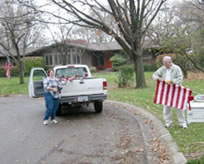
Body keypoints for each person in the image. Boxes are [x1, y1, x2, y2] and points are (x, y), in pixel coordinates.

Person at [153, 56, 188, 129]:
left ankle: (182, 123)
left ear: (170, 62)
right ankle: (168, 122)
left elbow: (180, 79)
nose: (164, 65)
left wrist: (172, 81)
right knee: (167, 106)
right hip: (166, 90)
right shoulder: (163, 68)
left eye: (166, 63)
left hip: (176, 89)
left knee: (179, 106)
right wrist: (158, 78)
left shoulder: (176, 68)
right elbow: (154, 75)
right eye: (163, 63)